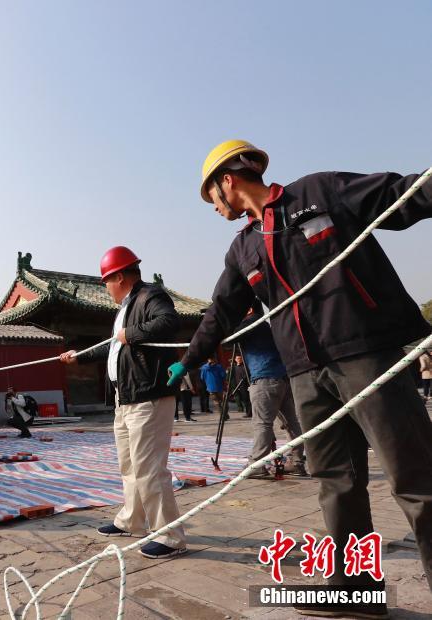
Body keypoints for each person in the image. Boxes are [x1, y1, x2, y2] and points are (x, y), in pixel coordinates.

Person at [168, 139, 432, 615]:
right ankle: (355, 592)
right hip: (305, 374)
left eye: (212, 199)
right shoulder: (243, 247)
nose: (215, 209)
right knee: (334, 479)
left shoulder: (319, 193)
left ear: (227, 181)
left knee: (415, 476)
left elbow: (401, 195)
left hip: (364, 354)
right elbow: (222, 311)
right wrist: (190, 358)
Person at [60, 246, 187, 559]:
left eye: (106, 281)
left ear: (119, 276)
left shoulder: (150, 296)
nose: (105, 287)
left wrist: (131, 332)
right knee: (128, 464)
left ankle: (170, 536)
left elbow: (169, 323)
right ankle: (132, 519)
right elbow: (113, 349)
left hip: (148, 395)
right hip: (125, 396)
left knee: (149, 468)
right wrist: (80, 357)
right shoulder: (125, 309)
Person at [235, 304, 307, 479]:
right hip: (281, 378)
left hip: (264, 378)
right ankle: (297, 462)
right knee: (292, 423)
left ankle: (257, 464)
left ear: (249, 309)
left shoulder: (252, 323)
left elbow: (228, 337)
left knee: (262, 423)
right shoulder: (266, 325)